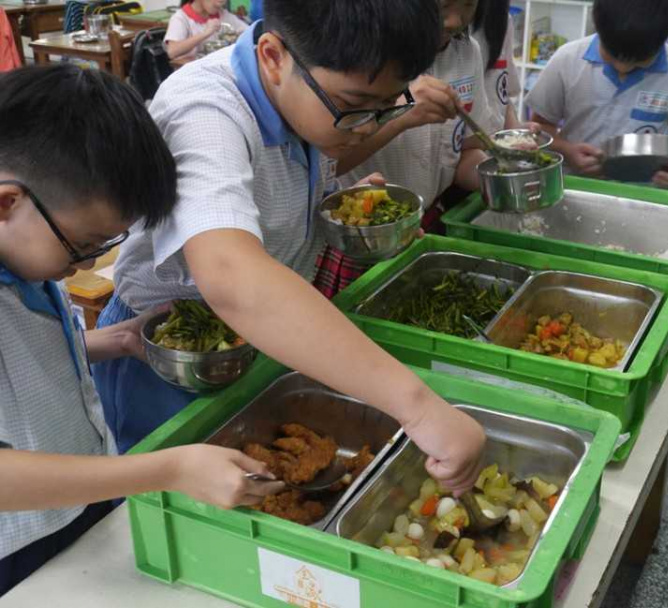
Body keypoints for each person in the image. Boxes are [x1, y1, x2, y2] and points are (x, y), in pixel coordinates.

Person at [94, 0, 486, 493]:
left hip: (264, 341)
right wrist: (420, 407)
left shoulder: (308, 99)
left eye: (387, 106)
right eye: (354, 105)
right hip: (171, 358)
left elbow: (302, 168)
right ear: (273, 56)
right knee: (159, 510)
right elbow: (231, 277)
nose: (369, 126)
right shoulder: (205, 107)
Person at [0, 65, 284, 597]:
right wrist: (166, 469)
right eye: (85, 244)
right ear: (7, 203)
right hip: (17, 546)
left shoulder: (22, 257)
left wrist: (108, 341)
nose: (86, 261)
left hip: (76, 509)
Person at [312, 0, 495, 297]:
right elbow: (324, 164)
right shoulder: (359, 49)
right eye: (444, 4)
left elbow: (466, 152)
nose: (455, 20)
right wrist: (399, 116)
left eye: (468, 5)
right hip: (357, 239)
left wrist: (497, 179)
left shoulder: (466, 51)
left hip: (420, 230)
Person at [525, 0, 668, 191]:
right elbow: (541, 126)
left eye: (639, 61)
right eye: (612, 55)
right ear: (597, 26)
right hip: (575, 185)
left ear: (665, 36)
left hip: (647, 192)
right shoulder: (567, 60)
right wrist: (567, 151)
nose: (622, 68)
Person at [472, 0, 520, 130]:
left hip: (485, 143)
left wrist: (515, 134)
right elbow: (410, 99)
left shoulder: (501, 18)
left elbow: (502, 94)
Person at [164, 0, 248, 62]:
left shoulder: (223, 15)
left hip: (218, 71)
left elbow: (249, 32)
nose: (222, 2)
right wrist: (205, 33)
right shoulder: (181, 18)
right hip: (191, 75)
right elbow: (172, 51)